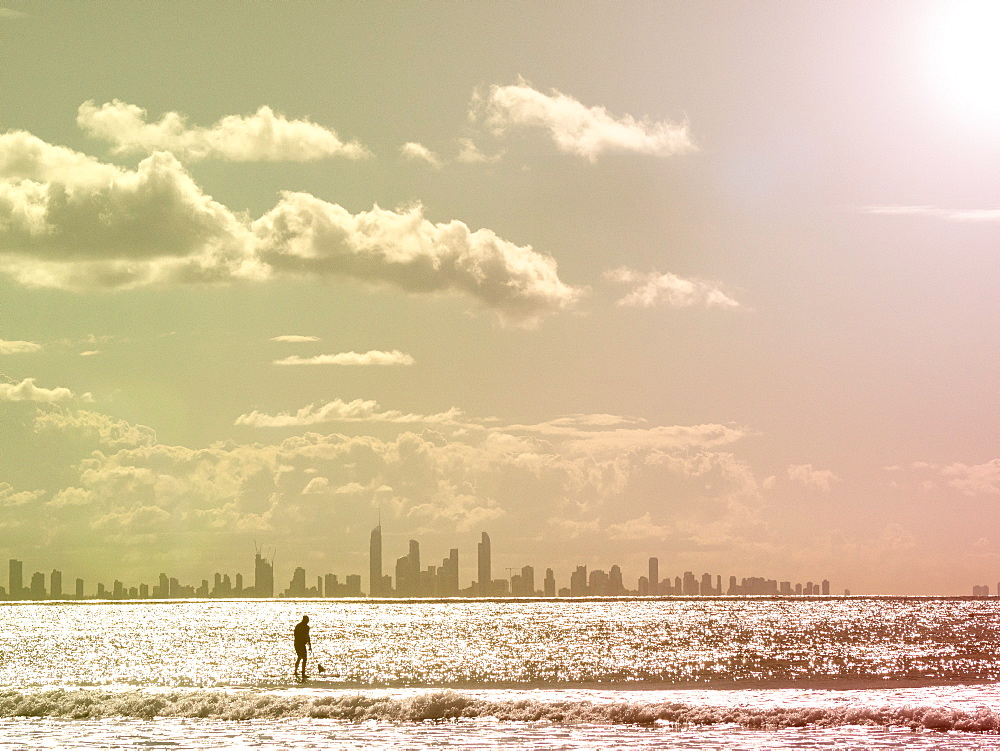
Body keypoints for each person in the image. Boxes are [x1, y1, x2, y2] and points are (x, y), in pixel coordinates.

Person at [293, 615, 312, 680]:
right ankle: (303, 673)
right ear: (305, 620)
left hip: (297, 643)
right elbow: (307, 636)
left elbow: (295, 634)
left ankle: (296, 671)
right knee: (304, 658)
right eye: (307, 620)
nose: (308, 621)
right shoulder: (306, 627)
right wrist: (309, 644)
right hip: (300, 644)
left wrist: (309, 644)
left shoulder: (298, 626)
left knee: (300, 657)